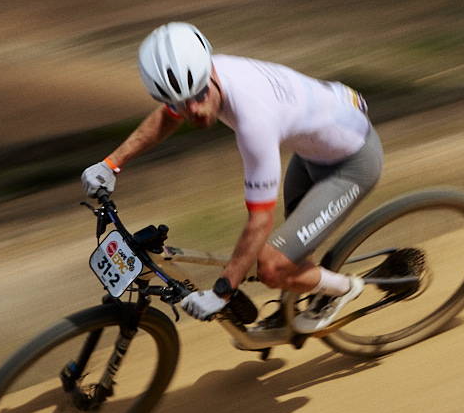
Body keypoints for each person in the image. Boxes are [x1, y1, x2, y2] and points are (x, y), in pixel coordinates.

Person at [81, 22, 379, 334]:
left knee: (272, 266)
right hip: (316, 144)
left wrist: (222, 292)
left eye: (199, 94)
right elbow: (168, 115)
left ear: (207, 73)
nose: (194, 110)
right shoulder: (205, 73)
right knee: (292, 252)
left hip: (351, 165)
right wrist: (111, 163)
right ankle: (308, 288)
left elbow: (259, 222)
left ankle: (345, 289)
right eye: (182, 102)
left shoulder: (254, 121)